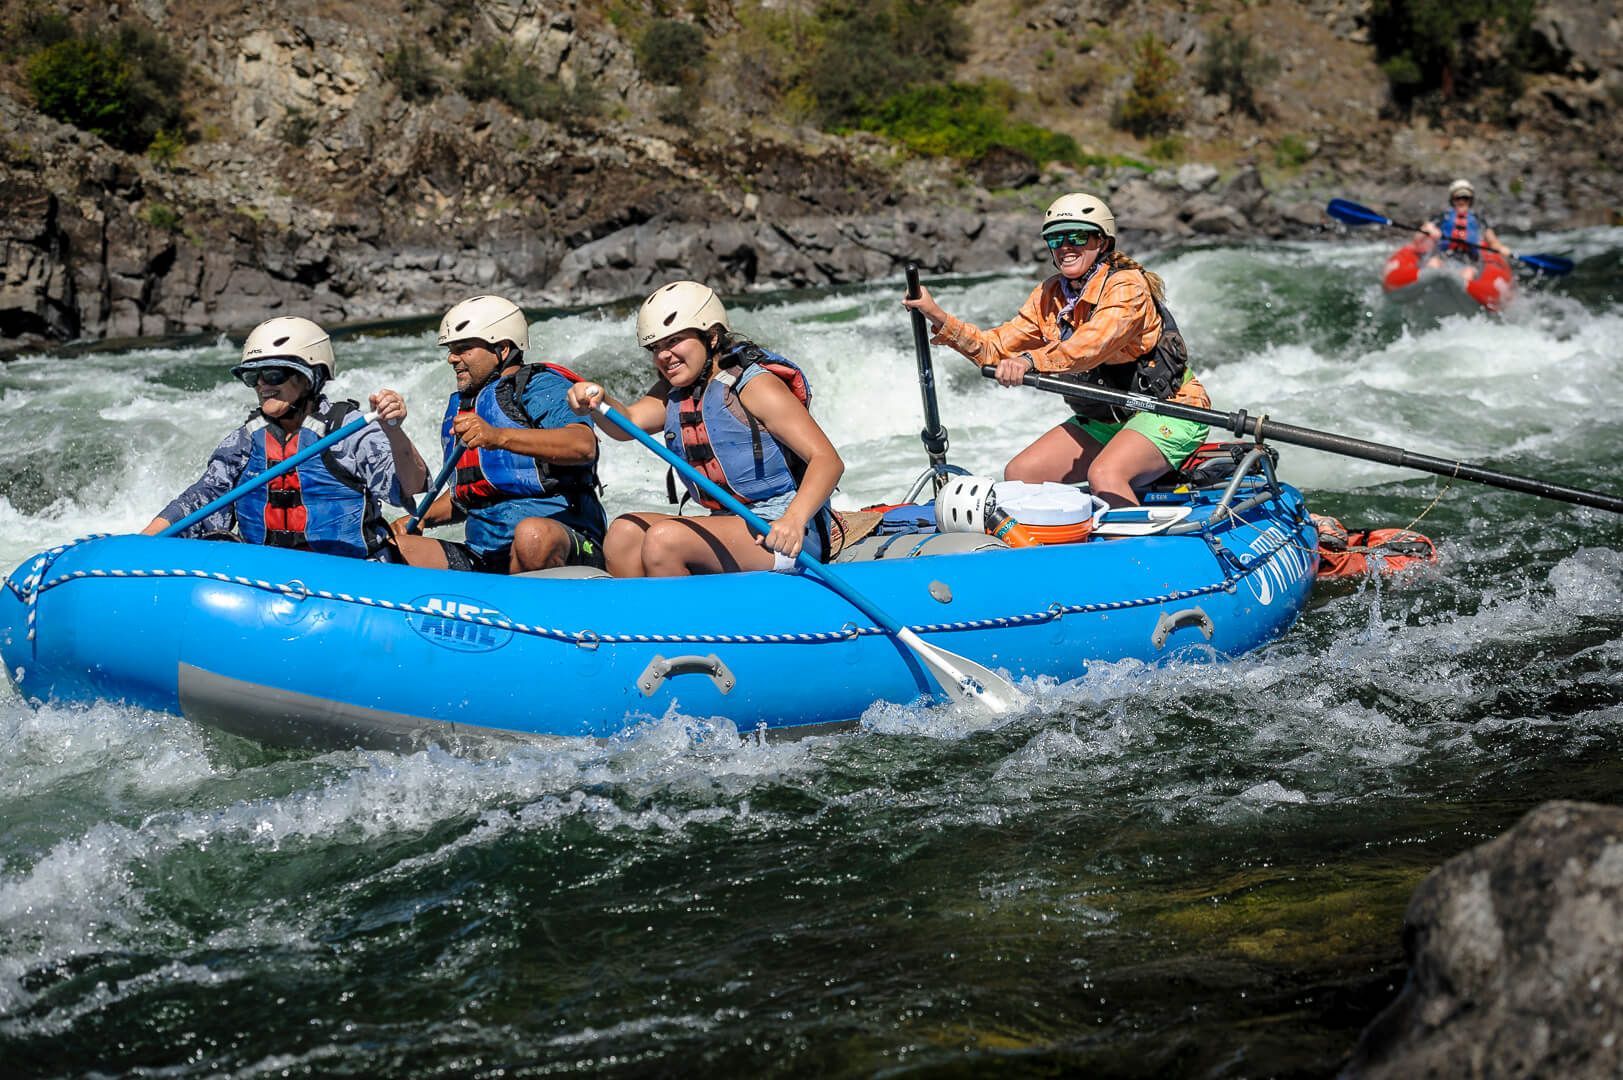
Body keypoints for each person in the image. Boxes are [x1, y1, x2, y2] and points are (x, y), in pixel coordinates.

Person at [902, 192, 1210, 507]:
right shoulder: (1050, 294)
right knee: (1021, 473)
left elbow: (1089, 347)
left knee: (1104, 474)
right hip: (1109, 419)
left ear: (1101, 242)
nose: (1065, 247)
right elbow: (994, 347)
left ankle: (1128, 551)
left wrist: (1029, 361)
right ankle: (1061, 540)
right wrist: (936, 315)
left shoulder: (1126, 287)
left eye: (1077, 236)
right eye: (1056, 239)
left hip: (1170, 408)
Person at [564, 280, 844, 577]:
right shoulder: (675, 392)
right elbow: (627, 423)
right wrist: (599, 400)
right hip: (728, 522)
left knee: (665, 540)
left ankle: (685, 622)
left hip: (783, 530)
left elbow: (827, 460)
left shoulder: (754, 386)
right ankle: (642, 620)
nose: (663, 356)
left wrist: (793, 520)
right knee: (624, 533)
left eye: (674, 341)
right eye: (656, 347)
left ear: (711, 337)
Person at [142, 316, 428, 559]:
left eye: (273, 374)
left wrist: (394, 430)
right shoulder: (244, 440)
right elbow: (201, 499)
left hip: (345, 579)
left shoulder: (349, 430)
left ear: (309, 377)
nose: (262, 385)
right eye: (253, 377)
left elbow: (411, 486)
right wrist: (145, 539)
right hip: (269, 578)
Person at [390, 294, 607, 574]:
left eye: (464, 348)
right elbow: (469, 493)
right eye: (451, 350)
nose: (451, 358)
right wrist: (421, 517)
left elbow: (583, 445)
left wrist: (498, 436)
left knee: (532, 536)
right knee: (395, 548)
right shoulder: (465, 404)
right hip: (485, 552)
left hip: (568, 543)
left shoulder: (539, 386)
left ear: (502, 349)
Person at [1416, 178, 1508, 261]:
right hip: (1443, 255)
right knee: (1433, 263)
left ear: (1470, 200)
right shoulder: (1442, 217)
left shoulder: (1478, 219)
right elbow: (1417, 238)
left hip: (1469, 259)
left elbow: (1493, 241)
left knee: (1468, 273)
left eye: (1465, 198)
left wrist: (1501, 248)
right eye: (1458, 198)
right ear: (1452, 200)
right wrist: (1428, 229)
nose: (1461, 201)